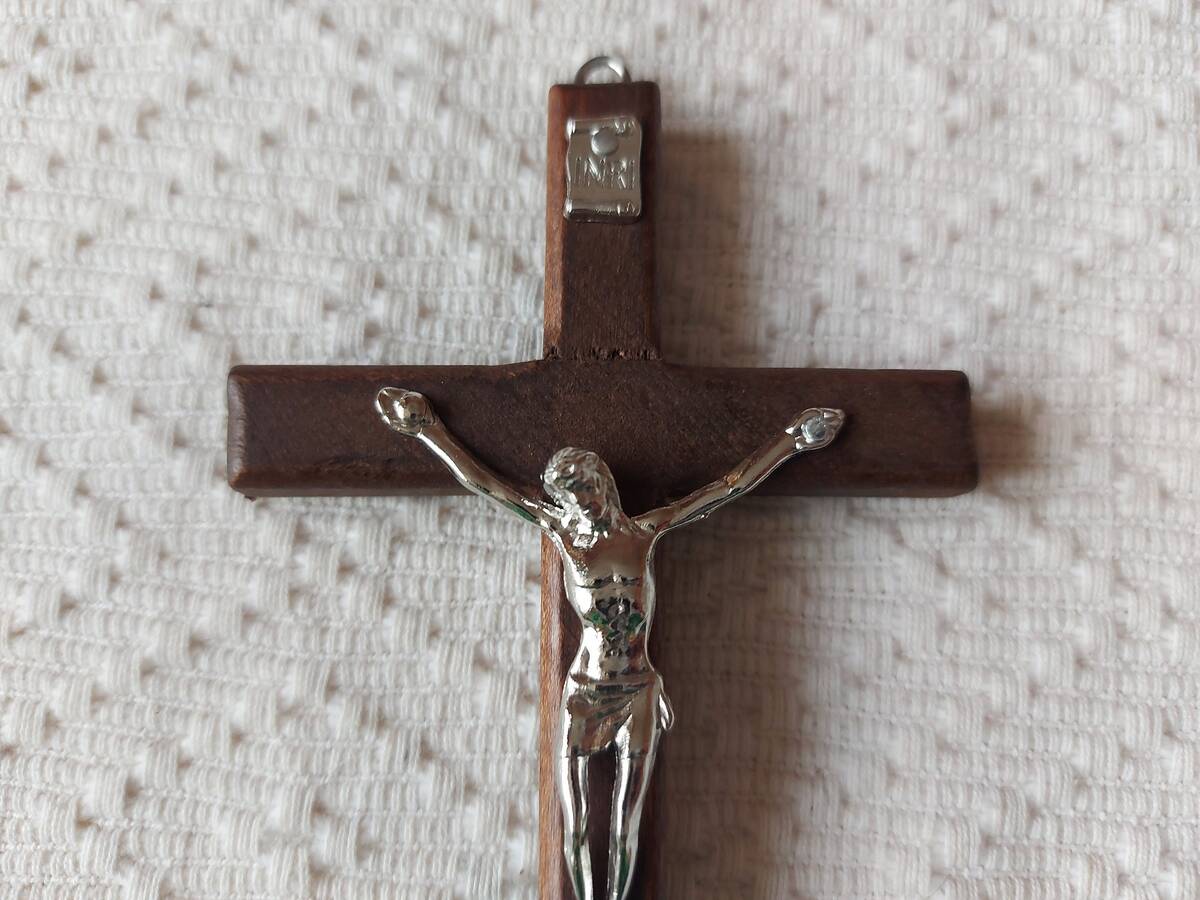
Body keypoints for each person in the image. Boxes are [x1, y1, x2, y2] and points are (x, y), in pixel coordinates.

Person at [375, 386, 844, 900]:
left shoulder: (644, 532)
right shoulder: (563, 534)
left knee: (626, 826)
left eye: (589, 496)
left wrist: (792, 441)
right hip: (585, 691)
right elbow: (485, 484)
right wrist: (428, 430)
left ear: (604, 486)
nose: (585, 509)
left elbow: (727, 488)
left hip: (638, 689)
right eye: (573, 502)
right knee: (575, 824)